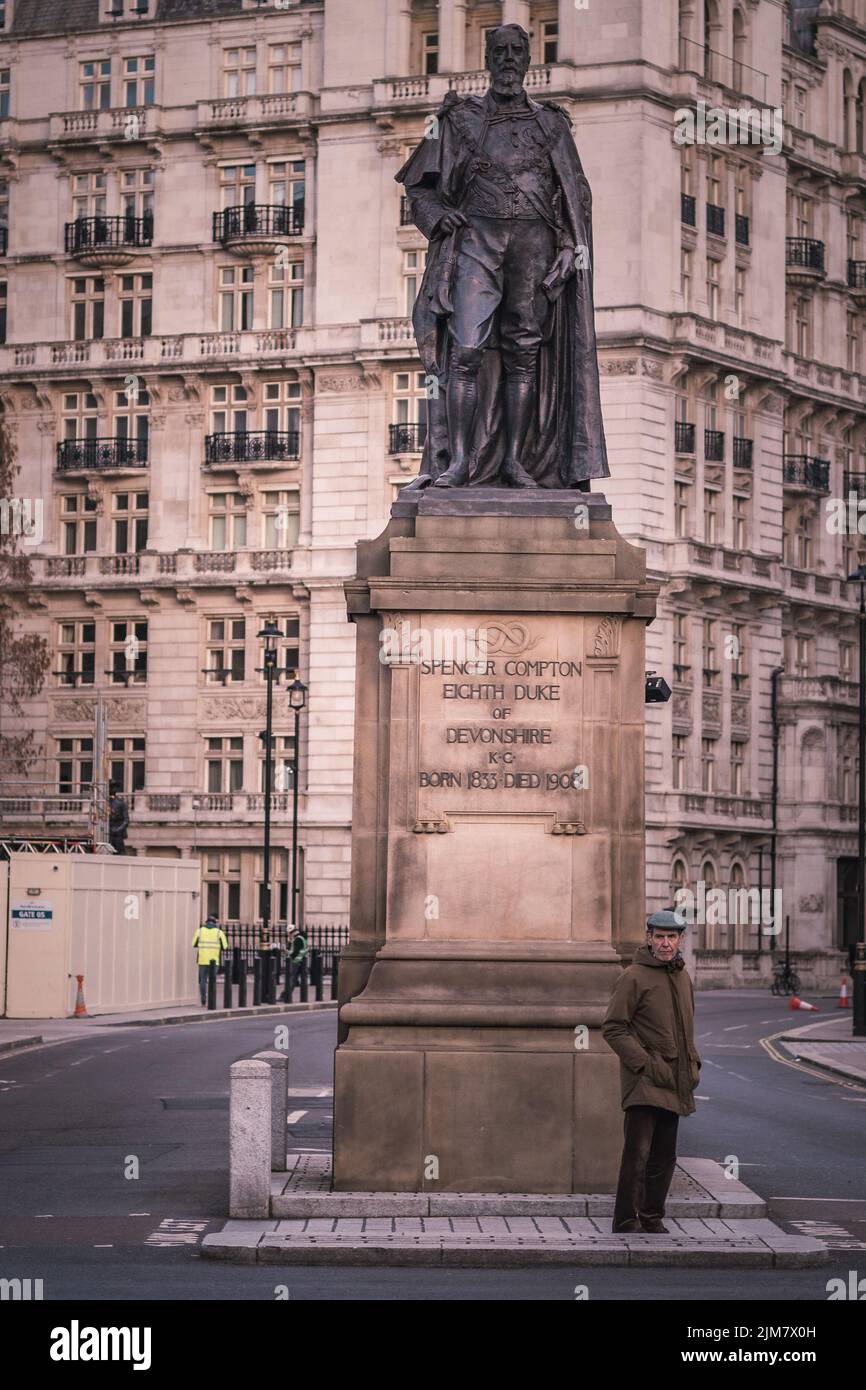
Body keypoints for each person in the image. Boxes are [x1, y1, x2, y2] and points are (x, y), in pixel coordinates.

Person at [395, 22, 609, 491]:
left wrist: (570, 246)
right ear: (488, 59)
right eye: (500, 52)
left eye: (517, 51)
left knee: (523, 353)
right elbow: (418, 185)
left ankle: (514, 461)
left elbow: (575, 195)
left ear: (528, 61)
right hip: (477, 239)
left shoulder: (552, 124)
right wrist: (438, 217)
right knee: (466, 349)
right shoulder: (458, 119)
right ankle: (460, 462)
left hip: (535, 244)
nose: (509, 59)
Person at [601, 909, 702, 1234]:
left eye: (671, 937)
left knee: (664, 1157)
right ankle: (625, 1220)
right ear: (649, 938)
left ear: (680, 939)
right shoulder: (633, 976)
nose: (665, 943)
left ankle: (652, 1216)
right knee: (638, 1155)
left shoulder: (683, 977)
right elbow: (613, 1027)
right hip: (644, 1081)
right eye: (659, 937)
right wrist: (644, 1063)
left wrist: (693, 1064)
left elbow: (686, 1031)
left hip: (674, 1081)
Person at [192, 914, 228, 1007]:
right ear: (215, 923)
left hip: (202, 960)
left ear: (206, 922)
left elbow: (193, 943)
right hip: (214, 961)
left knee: (203, 980)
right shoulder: (219, 932)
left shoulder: (199, 931)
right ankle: (212, 1000)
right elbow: (225, 946)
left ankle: (203, 998)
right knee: (212, 980)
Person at [108, 785, 129, 855]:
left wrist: (118, 829)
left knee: (119, 851)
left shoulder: (121, 803)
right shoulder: (104, 802)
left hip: (118, 833)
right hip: (108, 831)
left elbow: (126, 820)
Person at [288, 925, 309, 993]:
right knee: (297, 979)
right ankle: (286, 994)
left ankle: (286, 994)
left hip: (296, 961)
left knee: (292, 978)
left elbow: (295, 952)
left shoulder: (298, 939)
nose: (289, 935)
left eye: (289, 933)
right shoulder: (301, 938)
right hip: (302, 961)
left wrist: (289, 955)